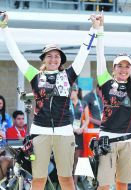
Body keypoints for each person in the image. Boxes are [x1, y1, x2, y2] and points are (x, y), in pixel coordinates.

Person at [0, 12, 98, 190]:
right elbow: (16, 56)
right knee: (38, 179)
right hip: (39, 131)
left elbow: (84, 52)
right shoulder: (35, 76)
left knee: (66, 179)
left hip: (64, 131)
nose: (53, 59)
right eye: (49, 56)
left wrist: (93, 29)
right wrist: (4, 28)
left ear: (61, 60)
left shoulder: (68, 75)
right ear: (44, 59)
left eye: (57, 56)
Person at [93, 14, 131, 190]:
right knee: (103, 185)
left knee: (122, 185)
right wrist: (100, 30)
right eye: (120, 66)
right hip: (107, 140)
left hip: (130, 141)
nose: (124, 69)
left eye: (127, 66)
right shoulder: (105, 82)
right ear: (114, 69)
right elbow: (99, 54)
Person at [69, 83, 89, 189]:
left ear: (76, 91)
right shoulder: (66, 103)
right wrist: (72, 128)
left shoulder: (83, 103)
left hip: (79, 134)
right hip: (68, 133)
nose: (71, 93)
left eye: (72, 90)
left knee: (76, 160)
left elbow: (87, 119)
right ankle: (68, 184)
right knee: (69, 160)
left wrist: (82, 128)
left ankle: (75, 184)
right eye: (69, 91)